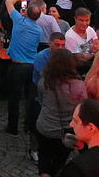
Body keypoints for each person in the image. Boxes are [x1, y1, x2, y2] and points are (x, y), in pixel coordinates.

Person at [35, 49, 87, 177]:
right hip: (67, 130)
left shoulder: (44, 82)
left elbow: (41, 100)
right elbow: (83, 107)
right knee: (60, 160)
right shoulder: (79, 85)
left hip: (45, 126)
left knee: (44, 157)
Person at [4, 0, 42, 136]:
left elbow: (8, 1)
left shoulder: (19, 21)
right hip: (32, 66)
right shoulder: (38, 31)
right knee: (30, 98)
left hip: (17, 66)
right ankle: (29, 126)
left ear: (26, 12)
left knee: (14, 98)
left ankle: (12, 127)